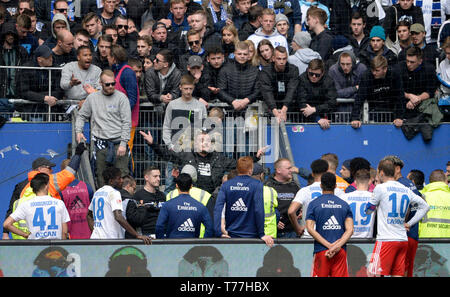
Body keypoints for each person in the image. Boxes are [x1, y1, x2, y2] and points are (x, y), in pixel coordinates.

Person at [365, 159, 430, 277]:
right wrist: (410, 223)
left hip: (386, 239)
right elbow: (425, 207)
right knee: (398, 274)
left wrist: (373, 204)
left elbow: (368, 211)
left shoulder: (380, 188)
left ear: (381, 172)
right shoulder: (405, 189)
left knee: (372, 273)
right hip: (402, 239)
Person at [75, 69, 132, 188]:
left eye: (113, 83)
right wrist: (78, 131)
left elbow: (127, 122)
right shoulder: (92, 98)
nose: (111, 86)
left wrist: (123, 143)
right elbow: (81, 115)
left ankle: (123, 202)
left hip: (118, 143)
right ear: (101, 83)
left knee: (122, 176)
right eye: (107, 84)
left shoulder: (122, 98)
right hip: (100, 144)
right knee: (100, 176)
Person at [213, 156, 274, 247]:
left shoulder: (227, 185)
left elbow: (218, 209)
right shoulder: (257, 184)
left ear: (237, 169)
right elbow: (258, 210)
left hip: (231, 235)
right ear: (250, 170)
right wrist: (262, 234)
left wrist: (218, 232)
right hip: (252, 236)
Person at [306, 172, 354, 277]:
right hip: (339, 251)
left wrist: (328, 246)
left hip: (321, 250)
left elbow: (309, 228)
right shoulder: (344, 204)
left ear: (321, 185)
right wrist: (336, 246)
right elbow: (350, 230)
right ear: (335, 186)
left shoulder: (314, 204)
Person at [87, 167, 152, 243]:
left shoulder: (97, 193)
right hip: (110, 239)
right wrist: (137, 235)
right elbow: (118, 217)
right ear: (111, 181)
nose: (122, 180)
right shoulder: (114, 193)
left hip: (95, 239)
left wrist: (94, 231)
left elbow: (88, 215)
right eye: (119, 178)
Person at [288, 159, 345, 238]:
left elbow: (291, 211)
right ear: (327, 172)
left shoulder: (305, 191)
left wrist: (298, 229)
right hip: (330, 235)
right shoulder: (337, 191)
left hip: (309, 235)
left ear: (312, 173)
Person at [3, 173, 71, 240]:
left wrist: (24, 234)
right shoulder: (59, 203)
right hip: (54, 244)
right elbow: (64, 232)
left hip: (35, 246)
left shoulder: (26, 205)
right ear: (46, 186)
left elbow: (6, 224)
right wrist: (62, 244)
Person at [350, 55, 406, 130]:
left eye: (377, 70)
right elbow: (359, 98)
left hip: (391, 110)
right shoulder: (367, 76)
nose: (374, 73)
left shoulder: (394, 75)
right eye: (372, 70)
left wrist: (399, 117)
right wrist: (355, 118)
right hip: (373, 110)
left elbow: (400, 97)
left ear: (385, 69)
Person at [398, 46, 440, 142]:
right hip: (403, 105)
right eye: (407, 61)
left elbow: (430, 91)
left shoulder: (429, 69)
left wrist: (416, 99)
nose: (408, 64)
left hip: (422, 106)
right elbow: (396, 90)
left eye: (412, 62)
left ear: (420, 61)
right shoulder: (400, 68)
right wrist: (409, 96)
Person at [155, 173, 214, 238]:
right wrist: (202, 242)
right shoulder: (200, 206)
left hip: (171, 245)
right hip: (193, 245)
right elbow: (210, 227)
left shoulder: (167, 205)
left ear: (176, 186)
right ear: (191, 186)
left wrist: (162, 242)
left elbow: (159, 226)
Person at [162, 73, 207, 152]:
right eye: (186, 89)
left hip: (194, 149)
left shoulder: (200, 106)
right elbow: (166, 126)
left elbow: (204, 128)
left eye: (191, 89)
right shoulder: (172, 105)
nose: (188, 91)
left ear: (194, 88)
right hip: (175, 146)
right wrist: (169, 145)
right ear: (180, 87)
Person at [16, 44, 65, 116]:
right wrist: (44, 98)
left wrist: (36, 95)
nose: (51, 59)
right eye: (47, 57)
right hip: (29, 110)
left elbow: (59, 92)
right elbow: (23, 92)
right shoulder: (27, 69)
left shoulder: (56, 69)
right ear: (39, 59)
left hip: (51, 110)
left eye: (51, 56)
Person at [259, 46, 299, 123]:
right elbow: (267, 92)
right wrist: (276, 113)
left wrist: (284, 110)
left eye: (284, 59)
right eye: (279, 59)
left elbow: (292, 90)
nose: (282, 61)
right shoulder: (266, 72)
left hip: (288, 106)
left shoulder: (293, 70)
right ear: (273, 58)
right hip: (271, 105)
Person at [217, 41, 260, 111]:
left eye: (245, 54)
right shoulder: (225, 69)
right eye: (239, 54)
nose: (242, 56)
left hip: (250, 108)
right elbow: (220, 90)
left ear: (249, 55)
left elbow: (258, 91)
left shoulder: (255, 70)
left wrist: (246, 100)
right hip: (228, 108)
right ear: (234, 54)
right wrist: (232, 101)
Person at [264, 158, 301, 238]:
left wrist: (301, 211)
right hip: (274, 234)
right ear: (278, 170)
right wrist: (274, 222)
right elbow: (260, 209)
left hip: (292, 233)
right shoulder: (267, 186)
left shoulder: (295, 186)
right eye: (288, 168)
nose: (291, 170)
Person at [297, 58, 337, 130]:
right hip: (305, 118)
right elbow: (301, 102)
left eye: (317, 75)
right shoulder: (302, 79)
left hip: (325, 117)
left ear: (322, 73)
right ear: (308, 70)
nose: (313, 77)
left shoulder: (328, 81)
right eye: (311, 74)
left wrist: (315, 109)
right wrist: (317, 119)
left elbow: (332, 102)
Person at [126, 166, 165, 239]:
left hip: (161, 234)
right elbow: (134, 218)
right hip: (145, 236)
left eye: (159, 176)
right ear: (146, 177)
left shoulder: (162, 196)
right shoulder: (137, 196)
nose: (159, 179)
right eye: (155, 176)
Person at [0, 21, 29, 113]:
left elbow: (27, 72)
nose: (10, 36)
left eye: (12, 34)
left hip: (17, 93)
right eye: (8, 34)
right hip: (1, 94)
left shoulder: (21, 51)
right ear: (3, 35)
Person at [341, 169, 375, 238]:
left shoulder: (344, 197)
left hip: (348, 239)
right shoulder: (374, 198)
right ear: (369, 182)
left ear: (355, 182)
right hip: (367, 241)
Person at [419, 169, 450, 238]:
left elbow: (415, 224)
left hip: (425, 243)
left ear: (430, 182)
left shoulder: (421, 197)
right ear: (446, 181)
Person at [251, 163, 278, 239]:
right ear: (261, 175)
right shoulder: (271, 191)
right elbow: (277, 213)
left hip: (249, 233)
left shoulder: (243, 191)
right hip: (269, 235)